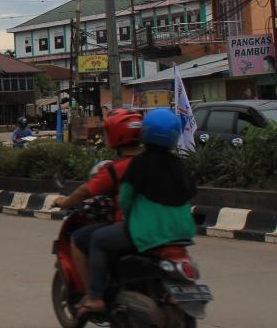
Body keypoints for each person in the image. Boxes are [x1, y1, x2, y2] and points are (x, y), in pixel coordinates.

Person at [79, 108, 197, 318]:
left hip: (148, 233)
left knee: (97, 238)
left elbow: (125, 199)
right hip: (183, 234)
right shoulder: (180, 164)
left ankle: (95, 297)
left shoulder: (140, 163)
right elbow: (190, 194)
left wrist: (131, 215)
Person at [53, 109, 144, 294]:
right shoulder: (156, 162)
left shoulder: (115, 169)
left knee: (82, 239)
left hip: (131, 228)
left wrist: (65, 201)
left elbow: (85, 190)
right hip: (162, 228)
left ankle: (94, 298)